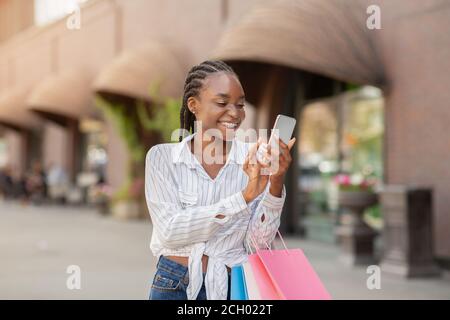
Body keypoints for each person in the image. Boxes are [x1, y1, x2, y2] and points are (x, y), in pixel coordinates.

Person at [145, 60, 296, 300]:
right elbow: (170, 231)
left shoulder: (254, 160)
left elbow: (257, 244)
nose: (235, 113)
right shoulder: (163, 158)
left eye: (240, 104)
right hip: (174, 285)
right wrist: (244, 197)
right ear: (193, 105)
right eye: (222, 102)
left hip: (232, 286)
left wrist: (275, 183)